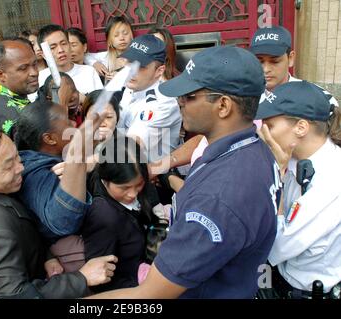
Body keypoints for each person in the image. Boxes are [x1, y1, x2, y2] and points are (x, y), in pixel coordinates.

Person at [89, 45, 279, 299]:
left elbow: (148, 296)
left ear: (223, 106)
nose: (180, 102)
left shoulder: (217, 198)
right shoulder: (252, 147)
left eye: (190, 97)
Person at [0, 124, 117, 298]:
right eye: (8, 166)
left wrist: (47, 256)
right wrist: (82, 278)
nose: (20, 168)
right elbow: (17, 295)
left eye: (17, 157)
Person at [255, 81, 341, 298]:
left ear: (301, 128)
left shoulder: (332, 179)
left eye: (270, 124)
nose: (262, 131)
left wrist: (278, 176)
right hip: (282, 279)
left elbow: (277, 247)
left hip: (307, 291)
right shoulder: (296, 159)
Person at [83, 135, 158, 292]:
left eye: (139, 185)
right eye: (124, 188)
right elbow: (102, 281)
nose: (133, 194)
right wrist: (146, 289)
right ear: (105, 179)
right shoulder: (103, 216)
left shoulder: (140, 188)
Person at [14, 98, 89, 241]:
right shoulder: (38, 174)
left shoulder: (55, 156)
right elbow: (64, 222)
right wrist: (76, 164)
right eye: (68, 123)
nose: (74, 124)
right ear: (49, 139)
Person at [118, 34, 182, 162]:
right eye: (130, 61)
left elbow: (131, 145)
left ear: (159, 71)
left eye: (141, 66)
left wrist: (88, 162)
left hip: (153, 175)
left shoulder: (164, 102)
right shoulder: (132, 87)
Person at [250, 25, 338, 107]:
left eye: (274, 61)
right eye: (259, 61)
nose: (266, 69)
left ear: (291, 58)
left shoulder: (318, 98)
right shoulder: (244, 98)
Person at [0, 38, 39, 138]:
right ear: (1, 75)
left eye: (35, 64)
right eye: (23, 68)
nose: (34, 72)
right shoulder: (6, 112)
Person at [37, 24, 103, 103]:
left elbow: (102, 105)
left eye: (64, 43)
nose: (60, 50)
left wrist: (84, 100)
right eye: (53, 47)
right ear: (43, 54)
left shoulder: (89, 72)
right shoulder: (40, 78)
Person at [85, 16, 134, 83]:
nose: (122, 38)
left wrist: (121, 77)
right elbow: (85, 56)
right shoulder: (106, 57)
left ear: (132, 36)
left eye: (125, 33)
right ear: (109, 41)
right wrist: (95, 63)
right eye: (116, 35)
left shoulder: (138, 55)